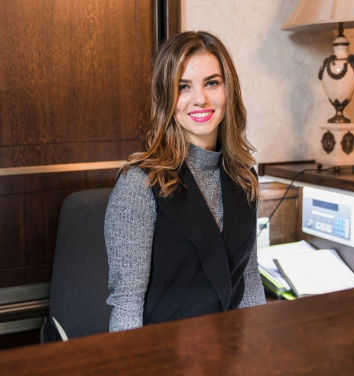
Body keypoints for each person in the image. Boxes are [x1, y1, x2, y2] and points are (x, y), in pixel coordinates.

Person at [104, 31, 265, 332]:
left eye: (212, 83)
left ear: (228, 91)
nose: (200, 99)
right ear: (167, 97)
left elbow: (249, 278)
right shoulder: (139, 184)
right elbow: (127, 304)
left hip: (230, 346)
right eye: (183, 87)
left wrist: (259, 348)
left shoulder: (244, 179)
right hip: (163, 351)